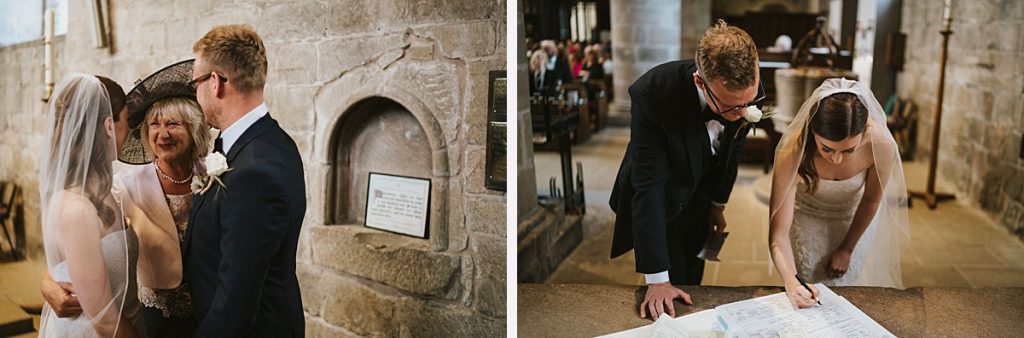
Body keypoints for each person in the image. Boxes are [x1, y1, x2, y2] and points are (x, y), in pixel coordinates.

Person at [41, 60, 211, 337]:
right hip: (155, 318)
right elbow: (72, 252)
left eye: (173, 123)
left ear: (193, 128)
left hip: (211, 311)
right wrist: (48, 283)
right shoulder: (123, 188)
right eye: (154, 124)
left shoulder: (215, 175)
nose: (163, 133)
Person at [608, 19, 763, 320]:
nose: (743, 113)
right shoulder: (652, 95)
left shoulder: (748, 82)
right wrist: (657, 280)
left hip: (702, 192)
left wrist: (718, 203)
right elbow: (648, 185)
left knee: (695, 271)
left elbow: (734, 149)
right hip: (663, 194)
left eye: (749, 103)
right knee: (671, 288)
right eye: (732, 107)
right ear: (700, 83)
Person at [183, 24, 306, 337]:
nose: (195, 94)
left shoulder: (253, 173)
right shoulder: (274, 140)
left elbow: (235, 306)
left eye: (195, 84)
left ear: (216, 83)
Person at [768, 78, 909, 309]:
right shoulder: (793, 150)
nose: (836, 159)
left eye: (849, 150)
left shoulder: (881, 145)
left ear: (864, 133)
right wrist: (792, 283)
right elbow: (777, 236)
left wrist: (847, 248)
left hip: (854, 219)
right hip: (807, 218)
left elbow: (872, 199)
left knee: (847, 291)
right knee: (807, 287)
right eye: (827, 148)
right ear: (814, 130)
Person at [38, 73, 143, 337]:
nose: (130, 130)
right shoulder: (76, 208)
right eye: (126, 120)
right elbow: (105, 320)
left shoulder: (110, 190)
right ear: (109, 125)